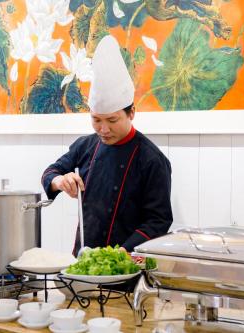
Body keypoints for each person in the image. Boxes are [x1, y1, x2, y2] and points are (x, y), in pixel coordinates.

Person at [41, 36, 173, 255]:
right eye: (96, 120)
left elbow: (158, 220)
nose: (103, 129)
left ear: (131, 113)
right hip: (83, 260)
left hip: (127, 263)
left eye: (112, 121)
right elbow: (50, 172)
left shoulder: (151, 159)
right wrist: (60, 180)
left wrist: (121, 253)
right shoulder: (85, 146)